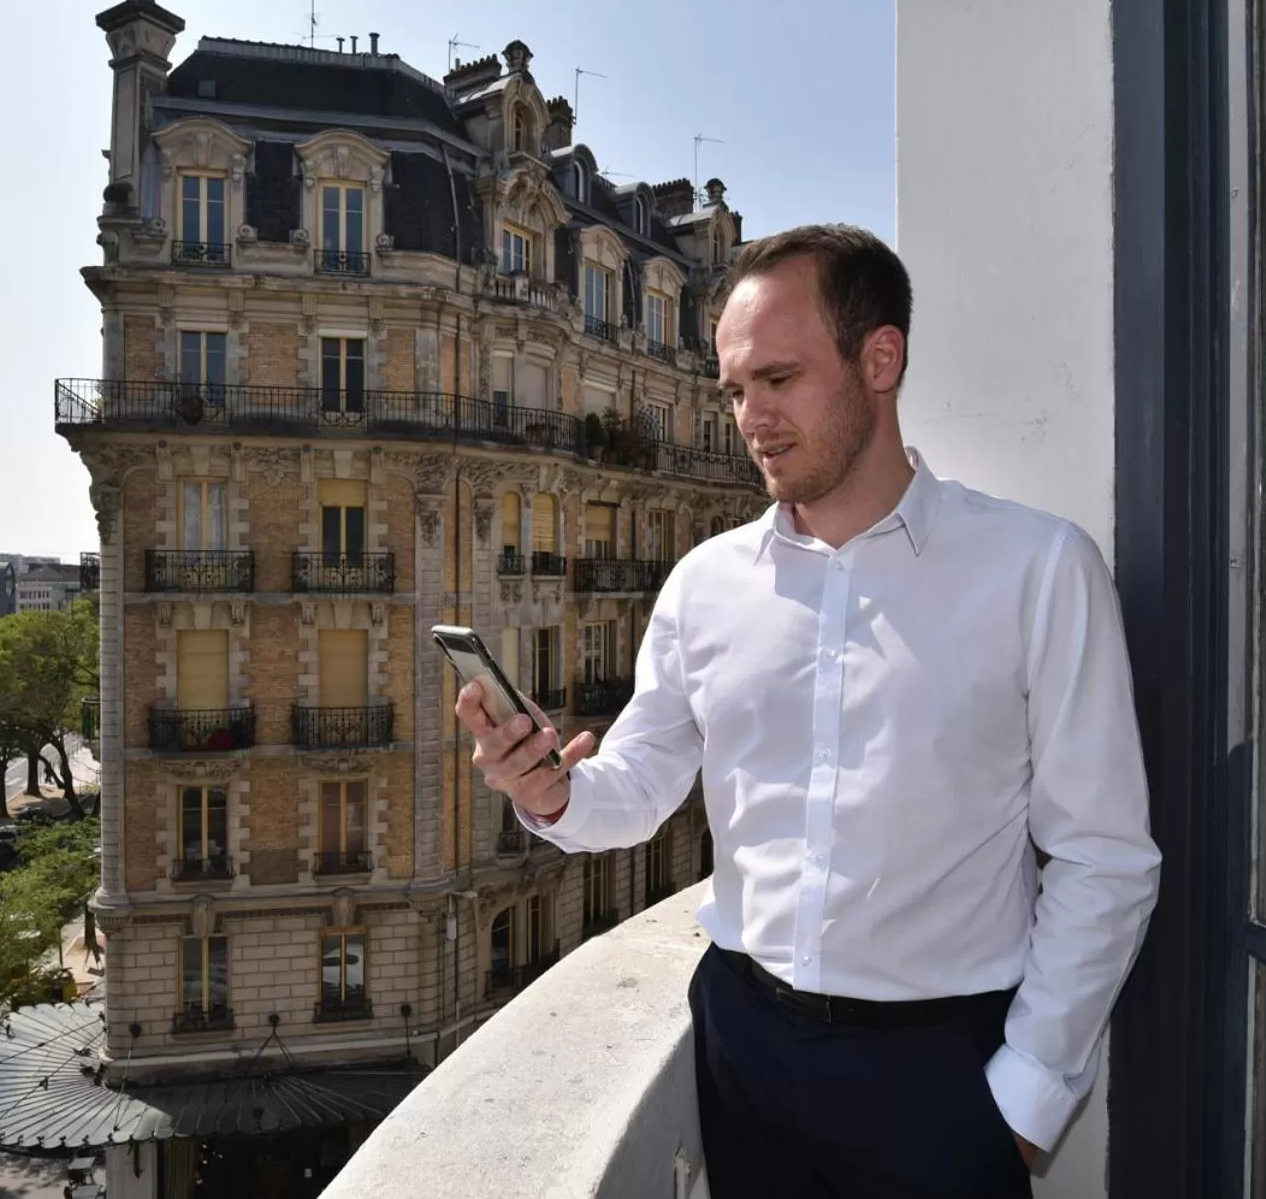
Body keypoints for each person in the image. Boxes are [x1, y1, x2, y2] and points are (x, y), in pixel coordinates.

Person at [456, 224, 1161, 1199]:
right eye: (735, 389)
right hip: (743, 1047)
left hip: (940, 1066)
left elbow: (1104, 856)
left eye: (778, 379)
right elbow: (635, 788)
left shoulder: (1037, 568)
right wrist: (549, 787)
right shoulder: (704, 584)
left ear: (880, 358)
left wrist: (1022, 1103)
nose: (750, 417)